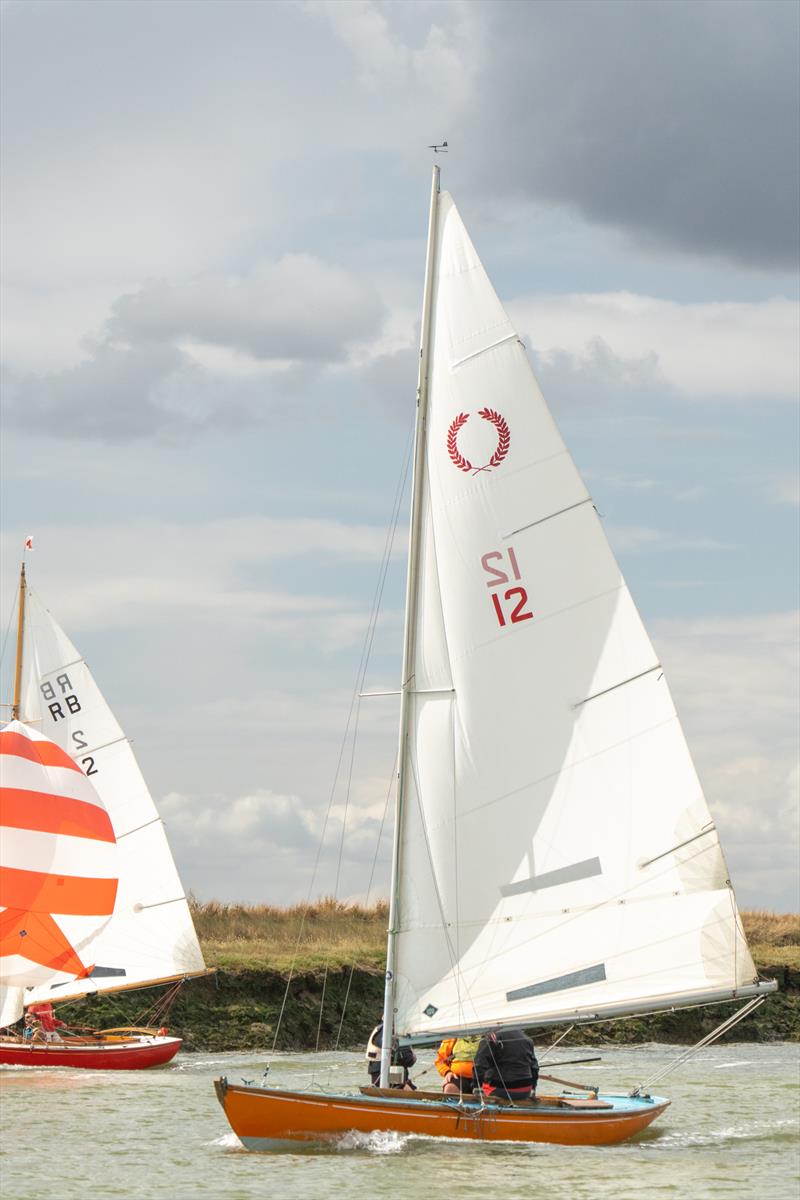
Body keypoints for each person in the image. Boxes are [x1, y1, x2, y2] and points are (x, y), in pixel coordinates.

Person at [472, 1028, 538, 1101]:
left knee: (477, 1087)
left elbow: (479, 1065)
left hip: (501, 1091)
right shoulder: (527, 1039)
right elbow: (535, 1067)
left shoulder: (492, 1037)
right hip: (525, 1091)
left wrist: (476, 1086)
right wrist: (533, 1089)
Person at [365, 1019, 417, 1090]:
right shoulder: (384, 1030)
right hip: (382, 1069)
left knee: (407, 1089)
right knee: (401, 1090)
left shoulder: (399, 1031)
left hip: (395, 1070)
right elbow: (385, 1045)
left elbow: (407, 1059)